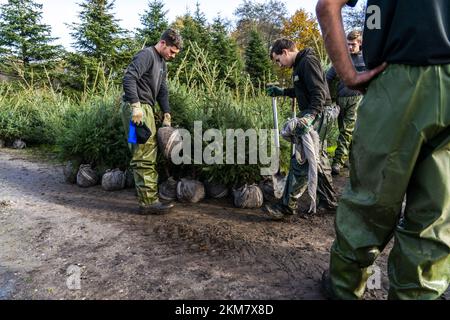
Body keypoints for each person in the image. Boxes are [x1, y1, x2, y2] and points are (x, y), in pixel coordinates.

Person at [316, 0, 449, 299]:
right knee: (436, 214)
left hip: (399, 76)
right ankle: (417, 293)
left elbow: (327, 6)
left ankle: (344, 286)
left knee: (370, 203)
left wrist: (349, 75)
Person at [264, 39, 338, 220]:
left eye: (277, 59)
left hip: (317, 113)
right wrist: (283, 92)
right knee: (318, 158)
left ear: (284, 52)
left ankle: (287, 207)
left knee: (302, 158)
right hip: (317, 112)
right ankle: (328, 201)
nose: (279, 64)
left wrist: (310, 117)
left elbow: (319, 92)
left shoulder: (307, 61)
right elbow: (304, 90)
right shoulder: (299, 65)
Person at [121, 29, 182, 215]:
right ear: (163, 43)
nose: (172, 56)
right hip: (137, 111)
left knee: (144, 151)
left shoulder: (162, 63)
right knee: (143, 153)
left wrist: (167, 113)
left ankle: (147, 196)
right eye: (171, 51)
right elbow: (129, 78)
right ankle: (148, 203)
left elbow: (163, 90)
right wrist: (136, 106)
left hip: (147, 109)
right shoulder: (146, 55)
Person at [326, 30, 366, 175]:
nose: (350, 47)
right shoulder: (342, 58)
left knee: (347, 131)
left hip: (357, 98)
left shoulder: (367, 59)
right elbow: (327, 77)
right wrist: (327, 97)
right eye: (348, 44)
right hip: (340, 99)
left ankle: (337, 161)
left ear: (360, 43)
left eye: (353, 44)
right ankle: (350, 159)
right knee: (344, 130)